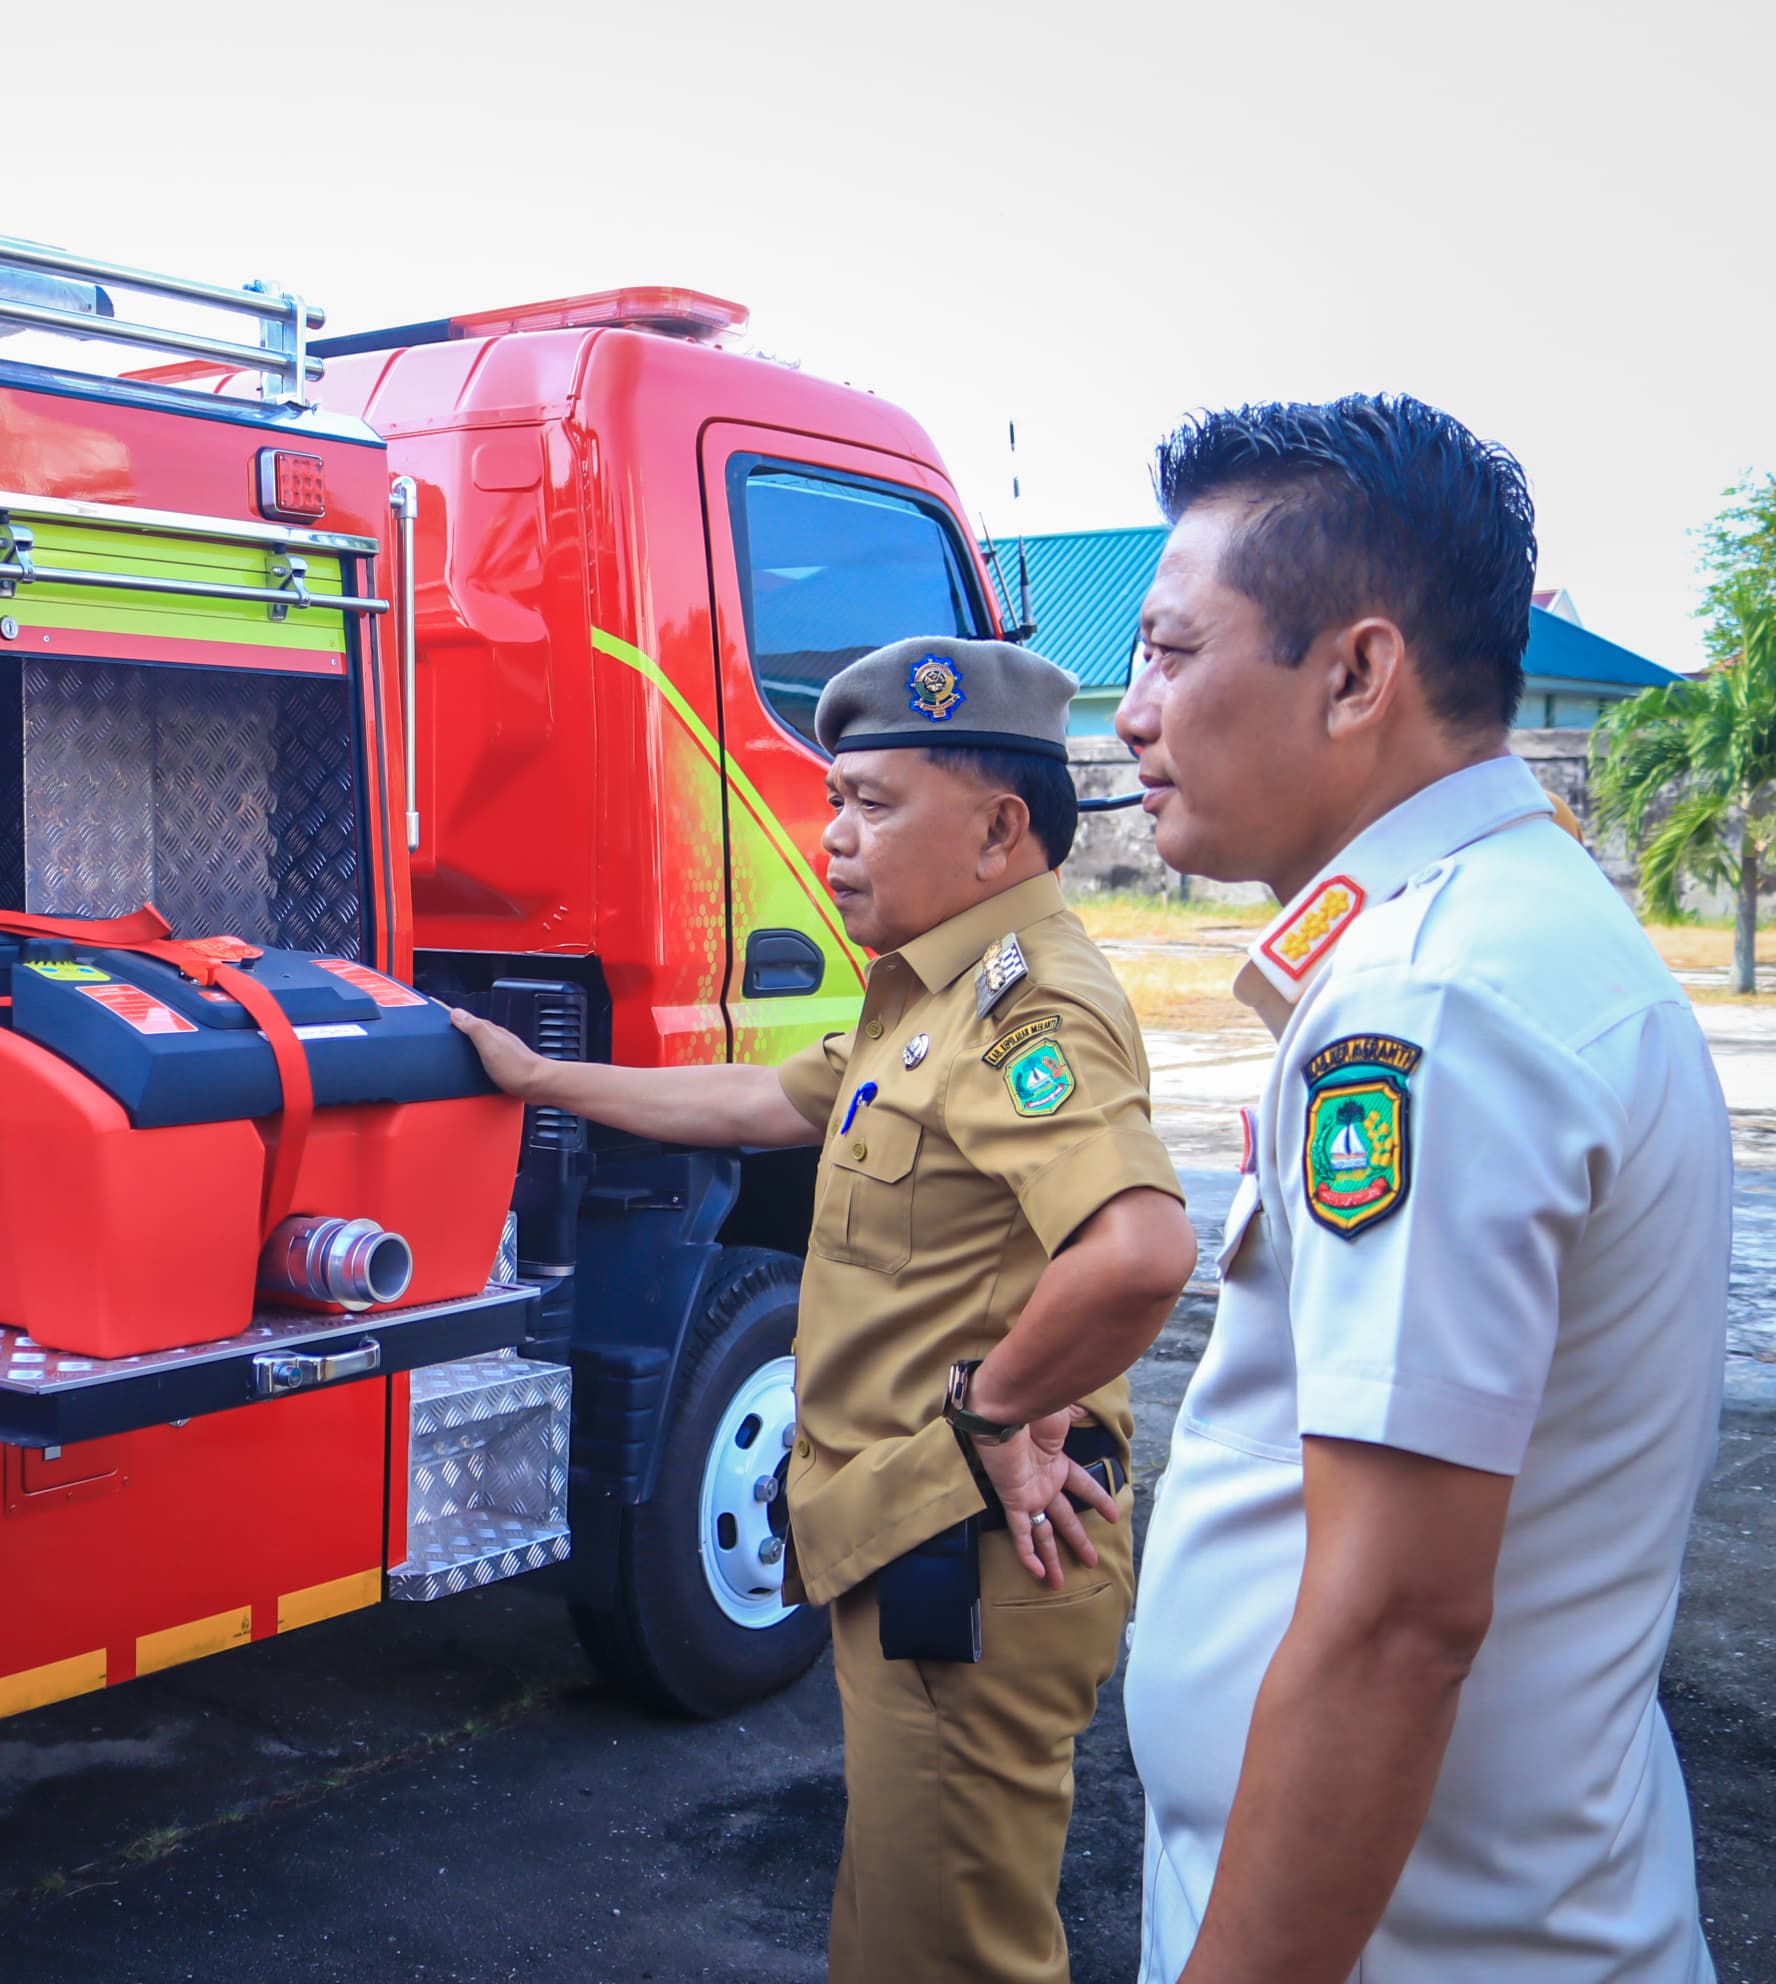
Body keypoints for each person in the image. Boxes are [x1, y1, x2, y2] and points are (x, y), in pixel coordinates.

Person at [452, 637, 1196, 1984]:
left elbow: (1138, 1251)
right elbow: (757, 1102)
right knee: (895, 1933)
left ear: (998, 827)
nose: (833, 837)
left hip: (967, 1558)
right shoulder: (930, 990)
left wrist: (994, 1409)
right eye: (834, 799)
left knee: (950, 1952)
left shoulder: (1032, 1013)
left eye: (873, 803)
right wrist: (540, 1080)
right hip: (901, 1538)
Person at [1116, 395, 1728, 1982]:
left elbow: (1400, 1625)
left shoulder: (1435, 999)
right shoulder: (1484, 938)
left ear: (1358, 674)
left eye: (1173, 653)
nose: (1131, 714)